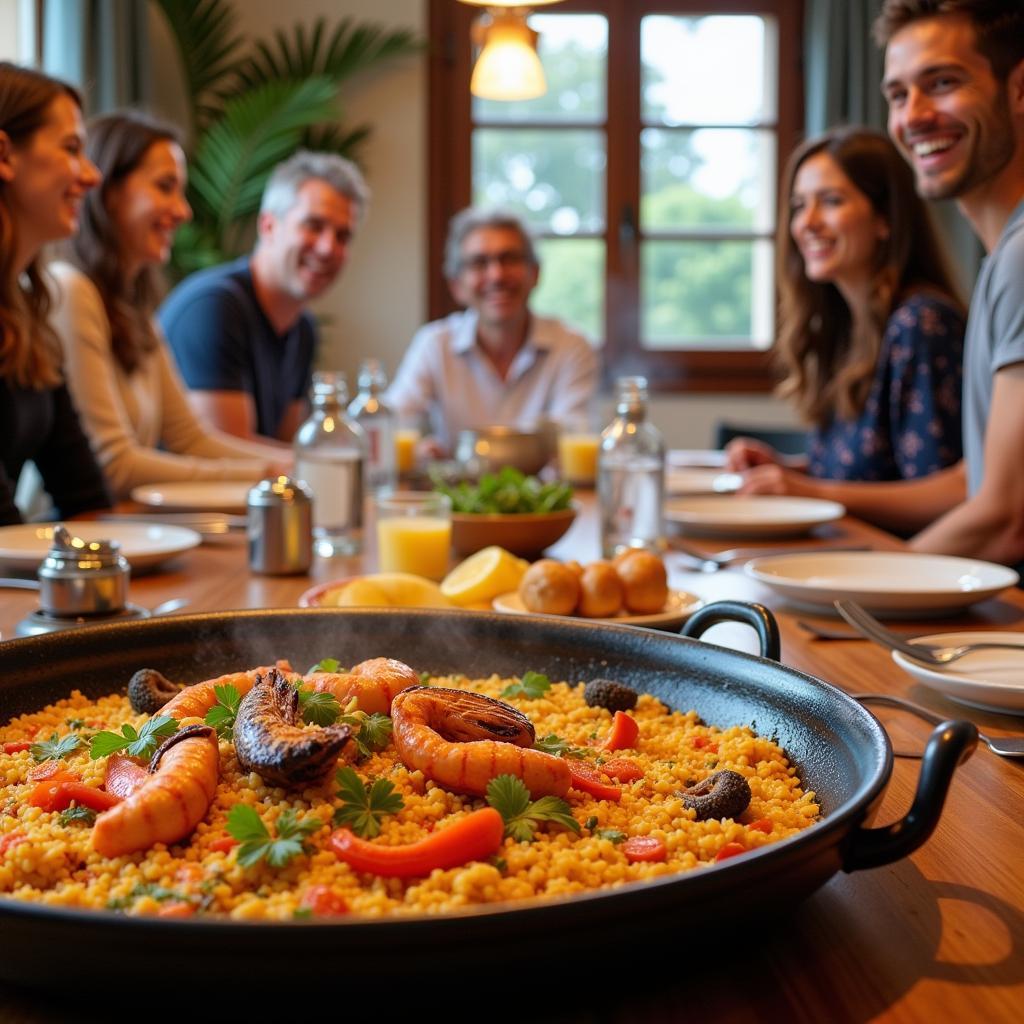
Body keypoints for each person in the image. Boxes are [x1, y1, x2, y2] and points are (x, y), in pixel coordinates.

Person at [766, 0, 1024, 562]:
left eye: (944, 82)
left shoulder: (1015, 261)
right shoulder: (1002, 261)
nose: (914, 116)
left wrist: (850, 599)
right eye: (898, 95)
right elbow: (976, 481)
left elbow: (1006, 518)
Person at [47, 112, 288, 500]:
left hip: (124, 530)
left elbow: (189, 437)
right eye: (165, 187)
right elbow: (115, 465)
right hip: (68, 539)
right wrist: (270, 475)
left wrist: (293, 467)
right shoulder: (72, 289)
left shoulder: (133, 306)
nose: (183, 211)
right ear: (108, 191)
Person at [726, 127, 966, 514]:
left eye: (831, 201)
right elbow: (872, 475)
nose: (807, 222)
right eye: (800, 205)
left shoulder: (921, 324)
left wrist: (811, 493)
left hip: (899, 566)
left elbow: (948, 493)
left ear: (885, 219)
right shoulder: (848, 327)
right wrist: (785, 473)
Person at [159, 150, 369, 442]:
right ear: (268, 226)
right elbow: (228, 452)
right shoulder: (213, 307)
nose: (327, 248)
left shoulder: (303, 328)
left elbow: (287, 444)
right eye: (314, 226)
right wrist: (332, 464)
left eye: (342, 236)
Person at [386, 206, 598, 455]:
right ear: (457, 286)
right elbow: (390, 424)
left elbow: (571, 441)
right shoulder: (435, 344)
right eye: (479, 263)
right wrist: (418, 452)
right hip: (458, 493)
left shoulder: (571, 347)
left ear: (535, 273)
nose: (496, 275)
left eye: (509, 259)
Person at [0, 62, 109, 525]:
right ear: (4, 156)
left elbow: (85, 493)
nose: (92, 176)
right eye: (72, 149)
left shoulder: (25, 310)